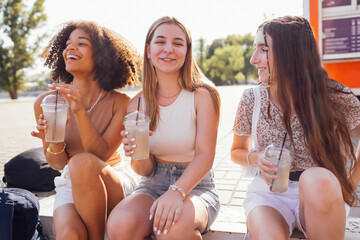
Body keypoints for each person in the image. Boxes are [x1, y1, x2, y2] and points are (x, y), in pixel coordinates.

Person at [231, 16, 360, 240]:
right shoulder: (253, 98)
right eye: (255, 49)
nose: (253, 59)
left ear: (291, 52)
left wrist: (349, 182)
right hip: (269, 195)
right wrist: (256, 157)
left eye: (263, 49)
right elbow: (236, 152)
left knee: (316, 178)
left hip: (318, 193)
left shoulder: (333, 96)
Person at [106, 16, 221, 240]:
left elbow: (206, 155)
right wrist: (137, 152)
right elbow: (143, 170)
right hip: (152, 184)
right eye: (160, 42)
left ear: (187, 52)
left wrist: (176, 192)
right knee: (119, 225)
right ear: (148, 50)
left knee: (171, 228)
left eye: (178, 43)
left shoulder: (203, 96)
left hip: (195, 186)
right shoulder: (136, 104)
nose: (168, 49)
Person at [31, 21, 142, 240]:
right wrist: (54, 141)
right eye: (67, 44)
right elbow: (58, 164)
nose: (70, 48)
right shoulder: (47, 102)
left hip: (112, 181)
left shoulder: (120, 103)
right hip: (69, 183)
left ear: (101, 56)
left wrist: (80, 111)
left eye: (81, 44)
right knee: (71, 235)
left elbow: (98, 156)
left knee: (81, 162)